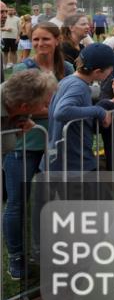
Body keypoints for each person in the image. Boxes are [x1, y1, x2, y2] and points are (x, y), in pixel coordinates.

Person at [1, 69, 59, 279]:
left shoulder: (17, 102)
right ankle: (16, 256)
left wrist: (23, 126)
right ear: (25, 106)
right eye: (44, 104)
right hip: (13, 156)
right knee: (15, 203)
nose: (46, 108)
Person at [49, 43, 114, 172]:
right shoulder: (78, 87)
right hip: (74, 163)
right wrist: (99, 111)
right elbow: (62, 111)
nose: (112, 71)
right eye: (110, 68)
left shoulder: (68, 80)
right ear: (98, 72)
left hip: (60, 159)